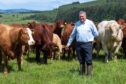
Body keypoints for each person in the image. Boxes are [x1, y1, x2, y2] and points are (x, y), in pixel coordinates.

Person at [66, 11, 99, 76]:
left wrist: (93, 39)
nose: (81, 18)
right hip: (78, 44)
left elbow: (96, 33)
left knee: (88, 60)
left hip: (88, 44)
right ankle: (81, 74)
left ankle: (89, 75)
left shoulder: (90, 23)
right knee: (81, 60)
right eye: (80, 16)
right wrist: (68, 44)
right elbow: (72, 35)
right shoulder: (77, 24)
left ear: (85, 16)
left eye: (82, 16)